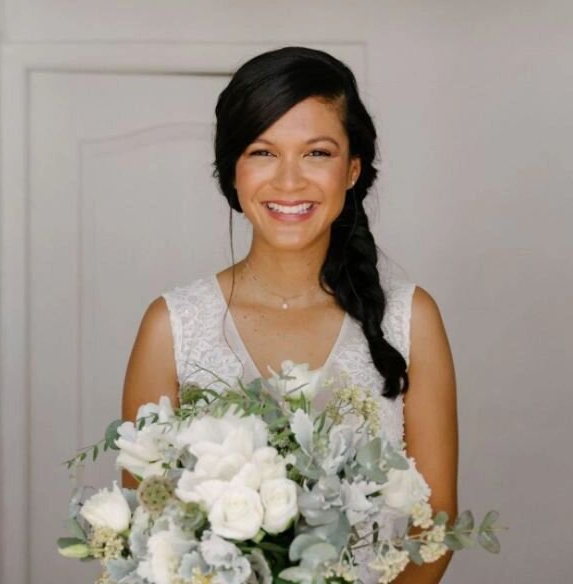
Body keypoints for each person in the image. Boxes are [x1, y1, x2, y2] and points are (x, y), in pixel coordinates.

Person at [122, 46, 458, 583]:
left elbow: (434, 530)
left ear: (352, 170)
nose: (289, 182)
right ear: (232, 171)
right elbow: (148, 533)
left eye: (317, 153)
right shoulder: (172, 327)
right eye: (263, 152)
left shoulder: (410, 319)